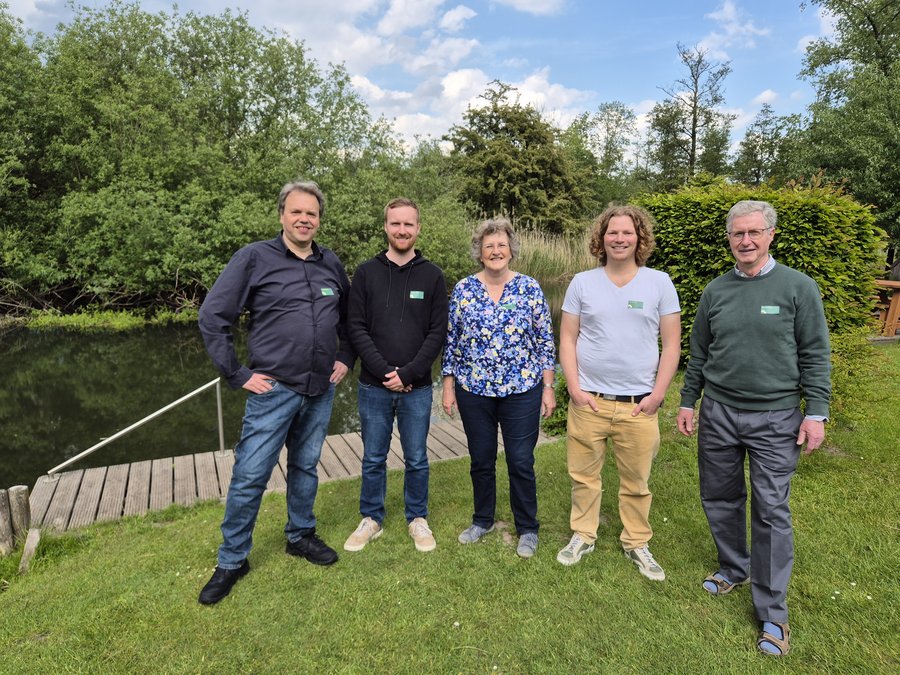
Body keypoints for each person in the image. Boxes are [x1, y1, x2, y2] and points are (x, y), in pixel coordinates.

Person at [676, 200, 831, 656]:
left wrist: (816, 411)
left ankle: (772, 612)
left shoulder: (798, 288)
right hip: (720, 412)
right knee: (720, 497)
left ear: (770, 235)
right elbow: (699, 354)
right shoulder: (715, 292)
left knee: (770, 510)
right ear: (729, 238)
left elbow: (815, 354)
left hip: (776, 417)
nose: (745, 240)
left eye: (754, 232)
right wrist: (688, 402)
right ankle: (734, 568)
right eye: (737, 234)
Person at [197, 180, 354, 605]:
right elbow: (213, 317)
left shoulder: (330, 263)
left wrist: (345, 356)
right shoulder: (254, 258)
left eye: (312, 214)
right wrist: (236, 373)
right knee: (250, 475)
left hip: (320, 388)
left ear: (319, 220)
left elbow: (349, 316)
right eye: (297, 212)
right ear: (282, 214)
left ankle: (300, 535)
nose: (305, 220)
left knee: (305, 467)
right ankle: (232, 560)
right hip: (273, 390)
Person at [556, 205, 681, 580]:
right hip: (589, 402)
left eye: (628, 233)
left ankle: (637, 542)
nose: (620, 239)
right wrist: (575, 389)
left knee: (637, 482)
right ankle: (583, 534)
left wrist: (658, 395)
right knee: (583, 476)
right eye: (613, 233)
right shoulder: (582, 282)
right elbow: (567, 337)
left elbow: (672, 345)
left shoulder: (659, 282)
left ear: (639, 237)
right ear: (602, 238)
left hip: (638, 406)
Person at [441, 217, 556, 559]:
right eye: (488, 245)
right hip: (473, 389)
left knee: (521, 460)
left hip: (522, 388)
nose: (495, 251)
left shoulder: (530, 288)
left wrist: (548, 387)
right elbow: (452, 341)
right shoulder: (463, 289)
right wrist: (448, 386)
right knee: (481, 459)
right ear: (479, 251)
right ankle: (482, 519)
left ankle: (528, 528)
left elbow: (544, 341)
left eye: (501, 245)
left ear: (511, 250)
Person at [343, 198, 448, 553]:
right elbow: (355, 327)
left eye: (409, 224)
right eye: (395, 224)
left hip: (416, 388)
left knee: (416, 457)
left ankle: (417, 518)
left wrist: (408, 373)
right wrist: (385, 371)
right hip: (374, 387)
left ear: (418, 228)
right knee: (373, 456)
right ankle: (371, 518)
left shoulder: (432, 275)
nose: (402, 230)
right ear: (385, 227)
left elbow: (437, 332)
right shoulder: (366, 273)